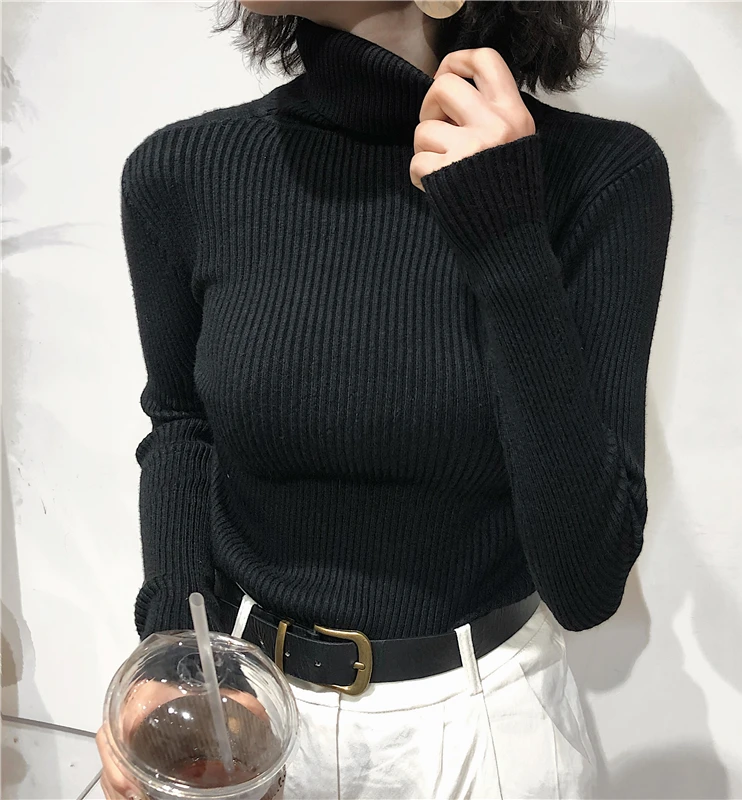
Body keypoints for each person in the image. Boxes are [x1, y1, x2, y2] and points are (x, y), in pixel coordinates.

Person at [95, 0, 673, 797]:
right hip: (247, 716)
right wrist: (174, 662)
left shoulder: (600, 175)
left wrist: (507, 240)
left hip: (481, 732)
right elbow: (182, 425)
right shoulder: (183, 172)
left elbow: (586, 583)